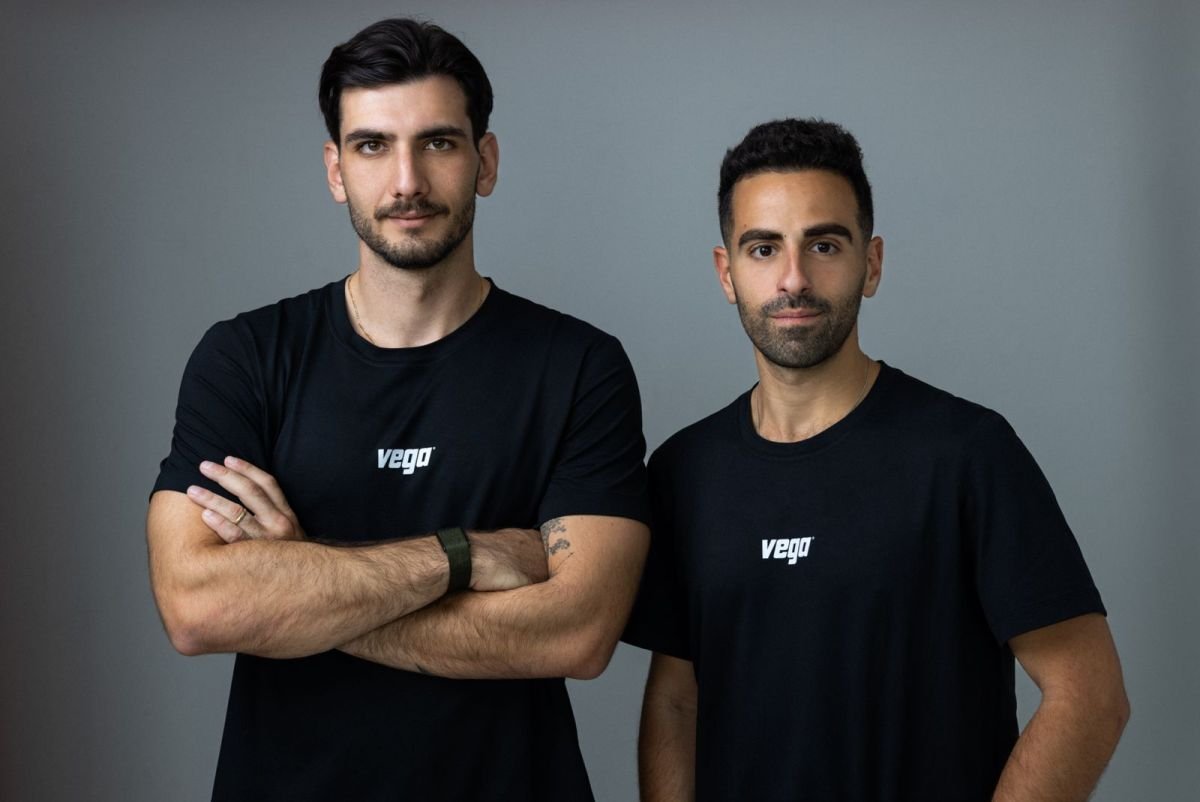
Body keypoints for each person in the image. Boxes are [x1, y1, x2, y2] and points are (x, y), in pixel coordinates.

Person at [147, 18, 649, 802]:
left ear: (485, 161)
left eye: (438, 143)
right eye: (373, 145)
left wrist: (303, 577)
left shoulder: (579, 367)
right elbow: (196, 607)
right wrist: (460, 555)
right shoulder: (245, 358)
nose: (406, 181)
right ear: (335, 169)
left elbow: (579, 633)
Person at [623, 118, 1130, 801]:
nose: (794, 279)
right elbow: (676, 701)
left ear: (873, 263)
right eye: (764, 248)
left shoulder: (966, 454)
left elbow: (1089, 694)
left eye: (824, 245)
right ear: (726, 273)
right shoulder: (685, 472)